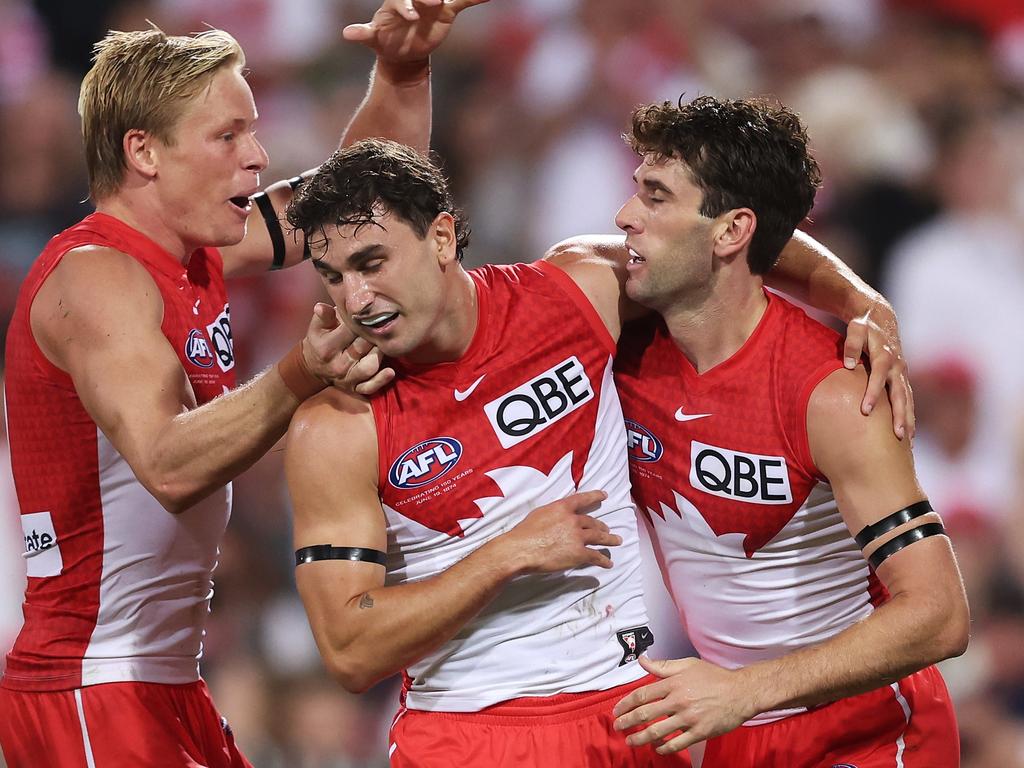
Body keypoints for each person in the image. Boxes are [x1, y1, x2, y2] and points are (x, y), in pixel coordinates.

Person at [282, 134, 912, 767]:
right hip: (468, 733)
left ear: (442, 238)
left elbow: (724, 243)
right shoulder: (338, 425)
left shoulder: (575, 293)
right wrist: (506, 555)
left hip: (630, 715)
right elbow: (351, 652)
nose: (355, 300)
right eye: (332, 277)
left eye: (371, 263)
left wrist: (861, 300)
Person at [0, 1, 485, 766]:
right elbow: (166, 462)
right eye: (228, 136)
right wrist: (301, 372)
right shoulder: (95, 277)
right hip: (91, 685)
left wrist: (404, 66)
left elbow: (362, 198)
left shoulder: (195, 254)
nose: (257, 157)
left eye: (252, 131)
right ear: (145, 153)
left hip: (162, 680)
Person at [607, 96, 968, 766]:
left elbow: (940, 614)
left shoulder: (829, 394)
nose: (625, 217)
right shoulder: (615, 338)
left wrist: (748, 690)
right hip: (730, 725)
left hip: (867, 731)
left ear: (730, 232)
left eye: (656, 197)